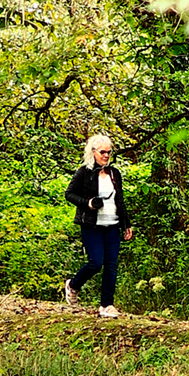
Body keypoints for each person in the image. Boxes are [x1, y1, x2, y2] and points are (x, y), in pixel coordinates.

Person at [64, 133, 133, 317]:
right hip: (91, 224)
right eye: (103, 152)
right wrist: (88, 202)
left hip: (112, 225)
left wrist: (126, 224)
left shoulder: (114, 173)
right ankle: (73, 285)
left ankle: (106, 305)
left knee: (111, 265)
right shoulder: (84, 172)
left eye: (109, 153)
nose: (106, 156)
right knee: (95, 263)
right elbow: (69, 194)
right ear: (93, 152)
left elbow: (120, 199)